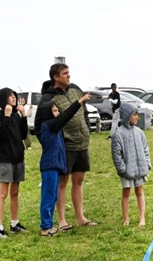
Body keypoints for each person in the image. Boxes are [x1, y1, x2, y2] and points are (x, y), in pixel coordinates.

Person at [36, 63, 97, 231]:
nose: (69, 76)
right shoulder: (48, 98)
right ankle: (62, 221)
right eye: (65, 73)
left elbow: (83, 111)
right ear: (56, 77)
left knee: (79, 180)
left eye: (69, 73)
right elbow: (39, 125)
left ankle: (80, 217)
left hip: (82, 143)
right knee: (62, 182)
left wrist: (87, 129)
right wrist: (51, 144)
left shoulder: (75, 89)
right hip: (66, 146)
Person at [0, 88, 29, 238]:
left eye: (14, 95)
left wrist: (24, 115)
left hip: (18, 157)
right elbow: (2, 134)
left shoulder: (16, 115)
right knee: (3, 193)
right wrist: (7, 116)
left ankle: (15, 223)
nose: (14, 98)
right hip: (5, 158)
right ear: (3, 99)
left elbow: (22, 134)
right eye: (10, 96)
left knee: (15, 192)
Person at [111, 102, 152, 227]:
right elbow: (116, 155)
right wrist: (122, 170)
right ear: (127, 116)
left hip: (140, 168)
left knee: (139, 191)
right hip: (127, 171)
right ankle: (126, 219)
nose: (137, 117)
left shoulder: (139, 132)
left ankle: (142, 218)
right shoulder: (118, 134)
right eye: (134, 115)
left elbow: (145, 149)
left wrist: (147, 163)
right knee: (126, 193)